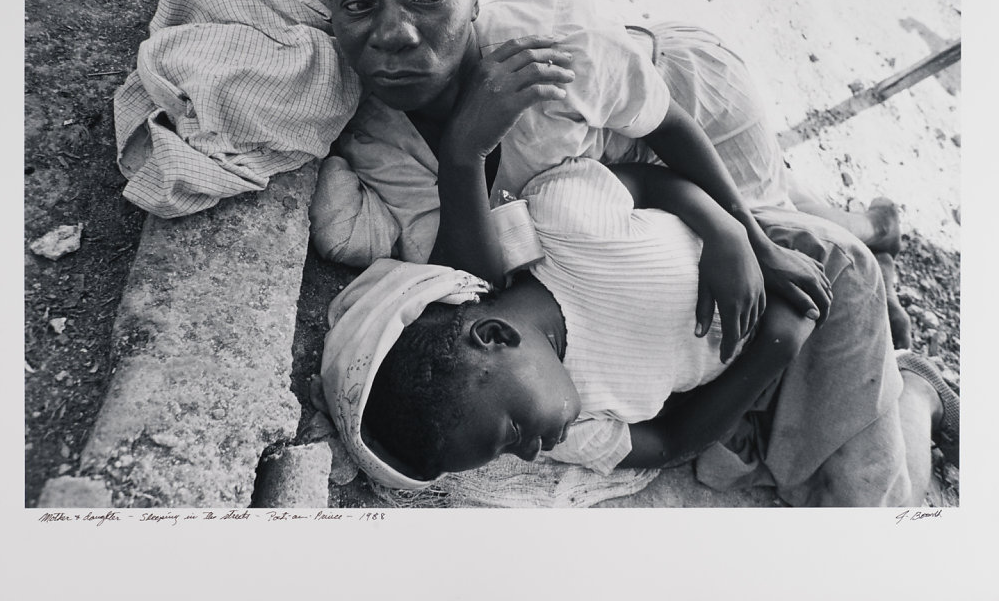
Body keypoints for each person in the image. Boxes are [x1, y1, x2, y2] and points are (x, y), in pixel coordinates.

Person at [304, 0, 911, 349]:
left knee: (776, 235)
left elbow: (670, 129)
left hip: (691, 95)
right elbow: (475, 281)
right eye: (358, 4)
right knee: (755, 207)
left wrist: (751, 239)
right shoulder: (377, 139)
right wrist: (464, 155)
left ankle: (868, 237)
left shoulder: (552, 49)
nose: (394, 34)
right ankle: (862, 221)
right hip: (611, 153)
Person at [320, 157, 959, 506]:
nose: (528, 454)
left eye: (509, 435)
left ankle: (914, 386)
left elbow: (654, 179)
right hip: (772, 351)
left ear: (492, 336)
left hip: (804, 272)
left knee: (864, 508)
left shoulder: (565, 228)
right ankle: (902, 376)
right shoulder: (574, 429)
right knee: (818, 497)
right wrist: (772, 351)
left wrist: (730, 235)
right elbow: (673, 438)